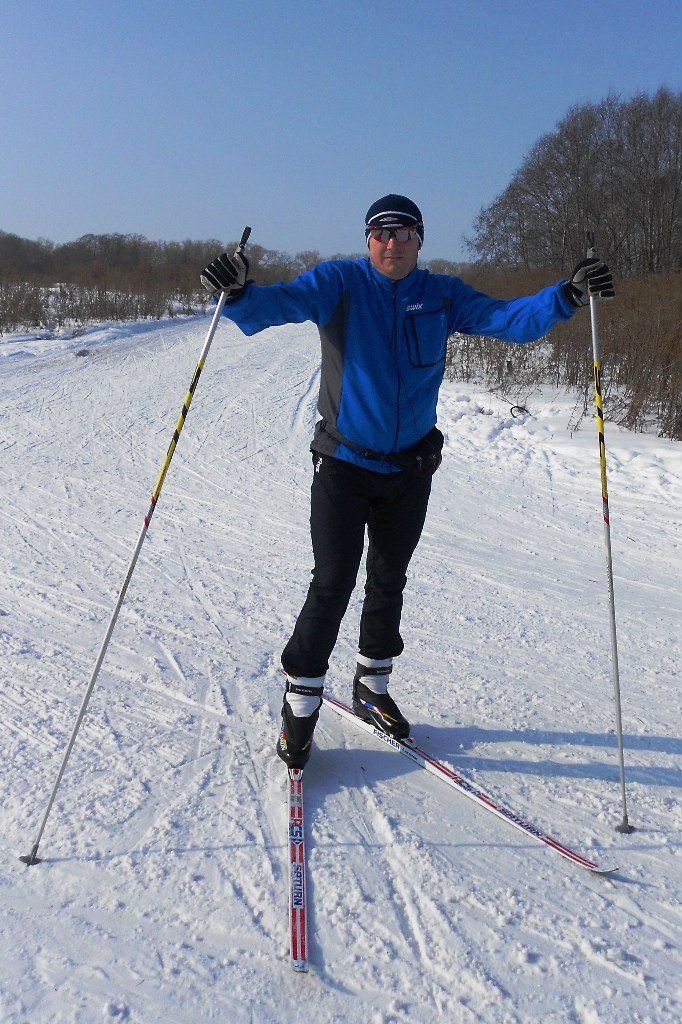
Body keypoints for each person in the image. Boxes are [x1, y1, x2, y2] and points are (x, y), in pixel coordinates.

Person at [200, 194, 614, 770]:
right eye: (380, 232)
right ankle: (300, 704)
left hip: (410, 469)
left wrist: (567, 295)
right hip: (344, 464)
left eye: (402, 232)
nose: (390, 242)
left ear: (419, 239)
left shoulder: (442, 295)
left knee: (389, 577)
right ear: (367, 240)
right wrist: (240, 290)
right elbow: (276, 305)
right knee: (333, 581)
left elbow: (508, 320)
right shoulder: (340, 284)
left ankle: (372, 685)